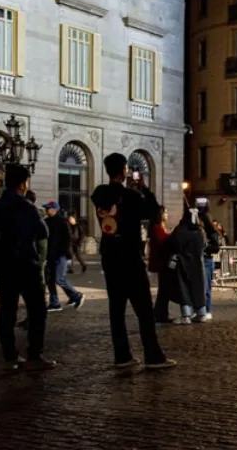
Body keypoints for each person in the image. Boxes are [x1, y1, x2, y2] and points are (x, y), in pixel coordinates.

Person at [91, 153, 176, 370]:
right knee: (144, 309)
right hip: (129, 256)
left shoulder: (99, 194)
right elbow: (155, 215)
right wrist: (144, 189)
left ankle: (122, 356)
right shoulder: (131, 196)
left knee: (116, 309)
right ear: (124, 170)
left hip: (110, 256)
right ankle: (153, 356)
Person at [0, 165, 55, 370]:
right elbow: (43, 232)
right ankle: (34, 355)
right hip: (27, 265)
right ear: (22, 184)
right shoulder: (27, 207)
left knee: (7, 312)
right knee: (37, 311)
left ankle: (10, 357)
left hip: (4, 266)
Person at [167, 207, 207, 325]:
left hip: (183, 262)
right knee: (198, 288)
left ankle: (186, 315)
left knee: (183, 288)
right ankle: (201, 313)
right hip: (198, 263)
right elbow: (204, 245)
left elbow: (172, 243)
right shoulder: (200, 231)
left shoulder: (180, 230)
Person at [43, 201, 84, 312]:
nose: (46, 210)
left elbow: (68, 238)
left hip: (61, 255)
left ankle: (76, 295)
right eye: (46, 208)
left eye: (48, 208)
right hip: (51, 255)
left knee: (59, 278)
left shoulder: (62, 221)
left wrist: (66, 252)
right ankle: (54, 303)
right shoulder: (46, 221)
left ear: (55, 209)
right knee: (49, 279)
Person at [148, 206, 172, 323]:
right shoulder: (157, 228)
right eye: (165, 212)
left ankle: (160, 312)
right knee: (164, 289)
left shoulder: (162, 227)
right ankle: (160, 313)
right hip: (162, 262)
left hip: (164, 261)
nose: (167, 215)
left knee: (164, 289)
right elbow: (163, 243)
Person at [199, 205, 221, 321]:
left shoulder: (212, 233)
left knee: (206, 288)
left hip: (207, 260)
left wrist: (205, 247)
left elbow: (216, 247)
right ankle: (199, 310)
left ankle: (207, 310)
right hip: (198, 260)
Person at [66, 209, 87, 274]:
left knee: (77, 255)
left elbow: (82, 234)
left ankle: (83, 265)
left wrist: (79, 241)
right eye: (69, 218)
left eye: (71, 218)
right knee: (72, 255)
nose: (70, 220)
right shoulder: (68, 225)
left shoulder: (77, 225)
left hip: (76, 242)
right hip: (70, 242)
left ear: (74, 219)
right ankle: (70, 268)